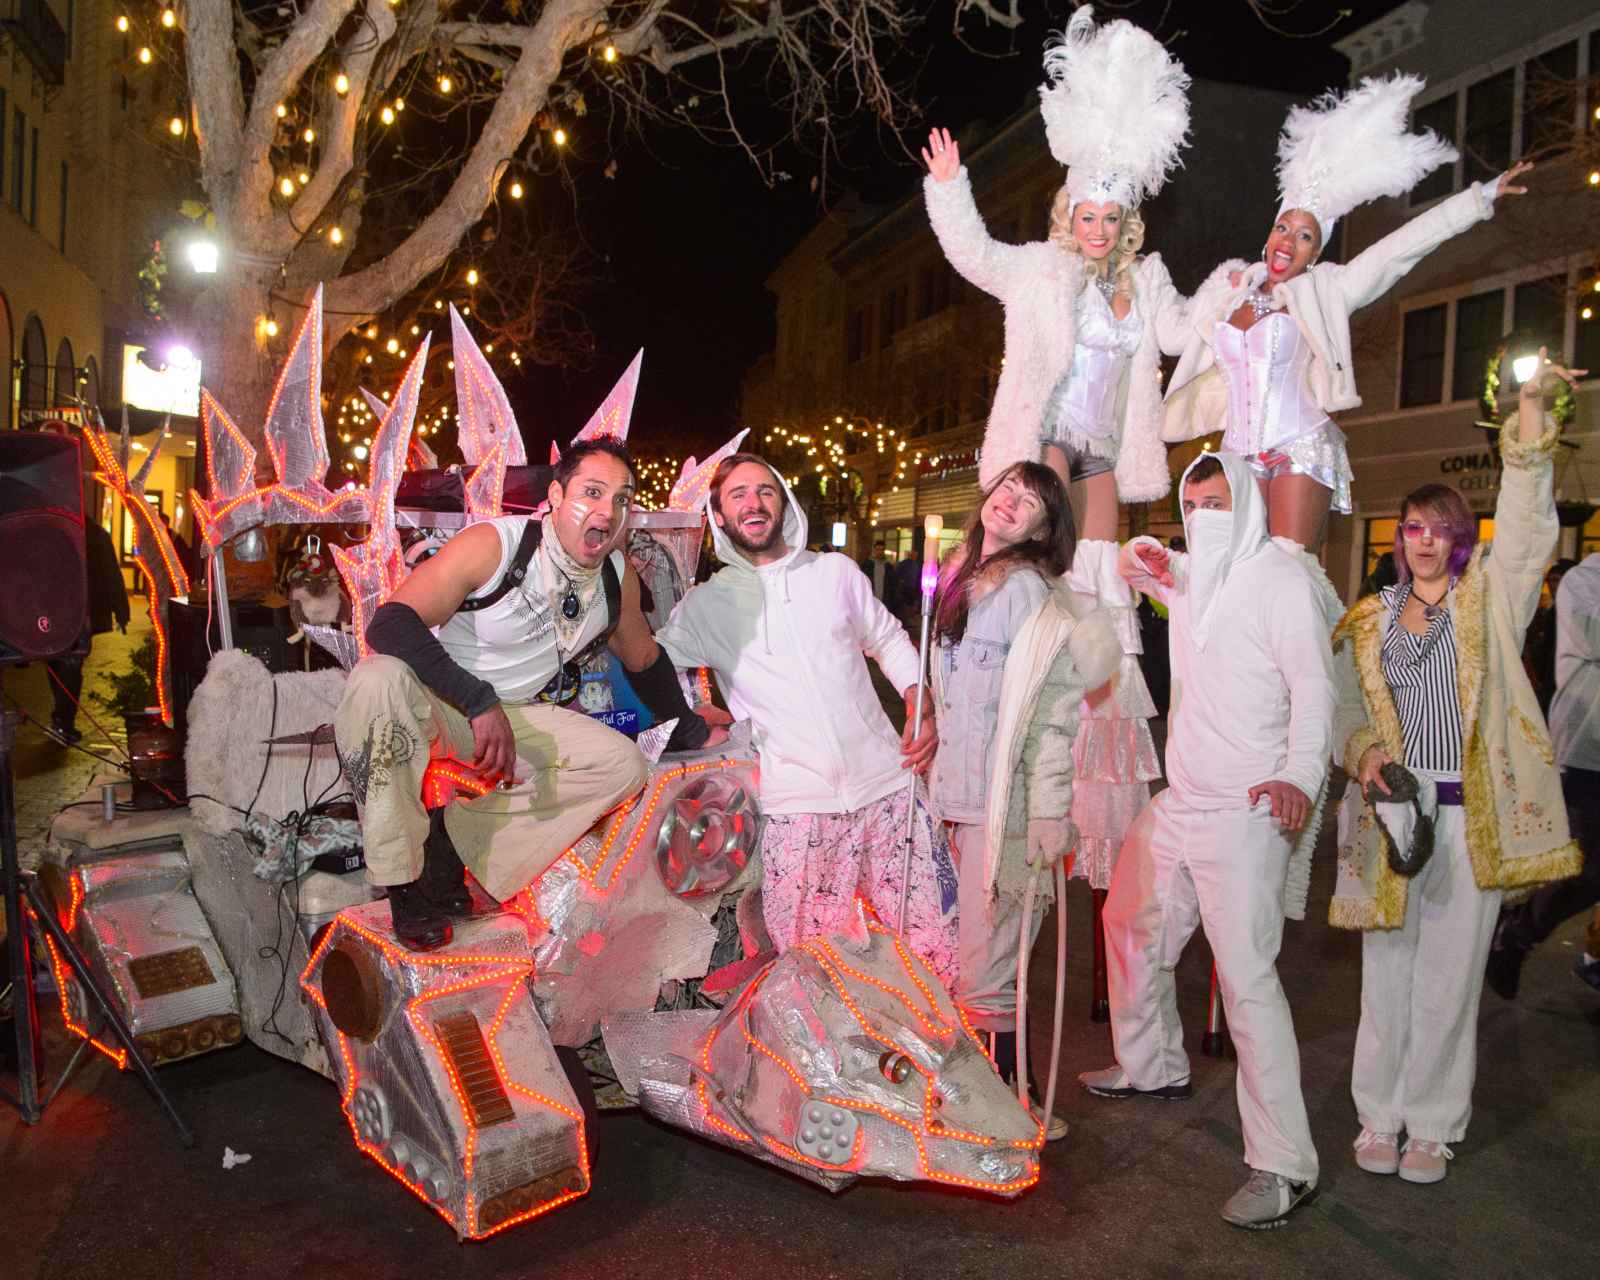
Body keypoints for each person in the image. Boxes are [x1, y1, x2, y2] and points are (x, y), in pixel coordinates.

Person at [924, 7, 1188, 961]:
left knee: (1105, 613)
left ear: (1127, 222)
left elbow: (1177, 338)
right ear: (1067, 214)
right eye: (1086, 213)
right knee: (1043, 603)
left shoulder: (1141, 283)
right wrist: (951, 189)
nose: (1098, 227)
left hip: (1109, 456)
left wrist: (1239, 303)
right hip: (1043, 456)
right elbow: (973, 255)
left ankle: (1091, 777)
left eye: (1112, 216)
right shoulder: (1037, 271)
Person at [1330, 352, 1584, 1185]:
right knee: (1386, 978)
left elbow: (1529, 527)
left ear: (1460, 538)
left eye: (1440, 527)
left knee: (1448, 983)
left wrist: (1531, 415)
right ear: (1400, 540)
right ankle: (1379, 1117)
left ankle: (1433, 1127)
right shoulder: (1367, 622)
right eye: (1412, 527)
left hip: (1468, 815)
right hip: (1392, 820)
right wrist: (1368, 759)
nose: (1425, 539)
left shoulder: (1491, 602)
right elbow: (1347, 717)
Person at [334, 440, 724, 950]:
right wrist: (475, 700)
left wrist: (691, 729)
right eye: (592, 492)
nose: (608, 511)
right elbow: (390, 622)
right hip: (439, 701)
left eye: (623, 499)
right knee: (377, 677)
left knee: (624, 767)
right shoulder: (496, 544)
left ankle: (448, 849)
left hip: (517, 715)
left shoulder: (615, 578)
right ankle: (402, 883)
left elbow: (644, 659)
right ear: (556, 496)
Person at [1080, 451, 1334, 1230]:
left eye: (1218, 499)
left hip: (1249, 807)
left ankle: (1284, 1164)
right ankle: (1151, 1062)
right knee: (1129, 920)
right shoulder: (1191, 577)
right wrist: (1138, 556)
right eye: (1193, 502)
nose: (1203, 513)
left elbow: (1316, 686)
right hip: (1182, 799)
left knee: (1248, 979)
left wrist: (1297, 774)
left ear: (1250, 504)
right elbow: (1125, 567)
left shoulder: (1281, 580)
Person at [1162, 74, 1532, 552]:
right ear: (1269, 233)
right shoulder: (1230, 291)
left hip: (1299, 444)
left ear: (1315, 252)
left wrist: (1478, 200)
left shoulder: (1329, 289)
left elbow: (1402, 247)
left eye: (1304, 236)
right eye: (1283, 227)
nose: (1287, 242)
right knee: (1238, 571)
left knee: (1287, 568)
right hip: (1236, 452)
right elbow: (1173, 335)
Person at [654, 454, 957, 982]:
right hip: (797, 808)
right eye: (739, 495)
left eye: (765, 491)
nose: (754, 502)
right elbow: (651, 664)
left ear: (784, 503)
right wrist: (695, 716)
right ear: (720, 518)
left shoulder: (834, 573)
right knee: (813, 969)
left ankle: (932, 1058)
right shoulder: (706, 605)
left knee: (932, 953)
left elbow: (886, 638)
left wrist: (917, 693)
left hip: (891, 790)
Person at [928, 460, 1118, 1138]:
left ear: (1045, 528)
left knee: (989, 971)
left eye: (1031, 501)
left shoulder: (1034, 596)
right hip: (952, 804)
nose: (1011, 502)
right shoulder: (963, 579)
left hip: (1002, 813)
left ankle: (1011, 1105)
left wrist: (1047, 813)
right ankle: (994, 1097)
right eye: (1007, 487)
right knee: (969, 965)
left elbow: (1053, 716)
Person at [1485, 548, 1600, 998]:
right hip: (1587, 752)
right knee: (1579, 868)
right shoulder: (1584, 580)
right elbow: (1592, 635)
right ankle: (1516, 932)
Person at [47, 518, 131, 743]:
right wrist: (121, 610)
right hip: (78, 612)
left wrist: (121, 609)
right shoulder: (94, 534)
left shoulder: (62, 530)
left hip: (67, 612)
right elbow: (112, 574)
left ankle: (63, 719)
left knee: (64, 664)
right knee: (67, 665)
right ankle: (63, 719)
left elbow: (111, 574)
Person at [859, 538, 899, 612]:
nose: (880, 552)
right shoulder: (867, 564)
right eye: (878, 549)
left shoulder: (888, 566)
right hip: (871, 598)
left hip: (885, 600)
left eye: (882, 550)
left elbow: (893, 584)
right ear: (874, 550)